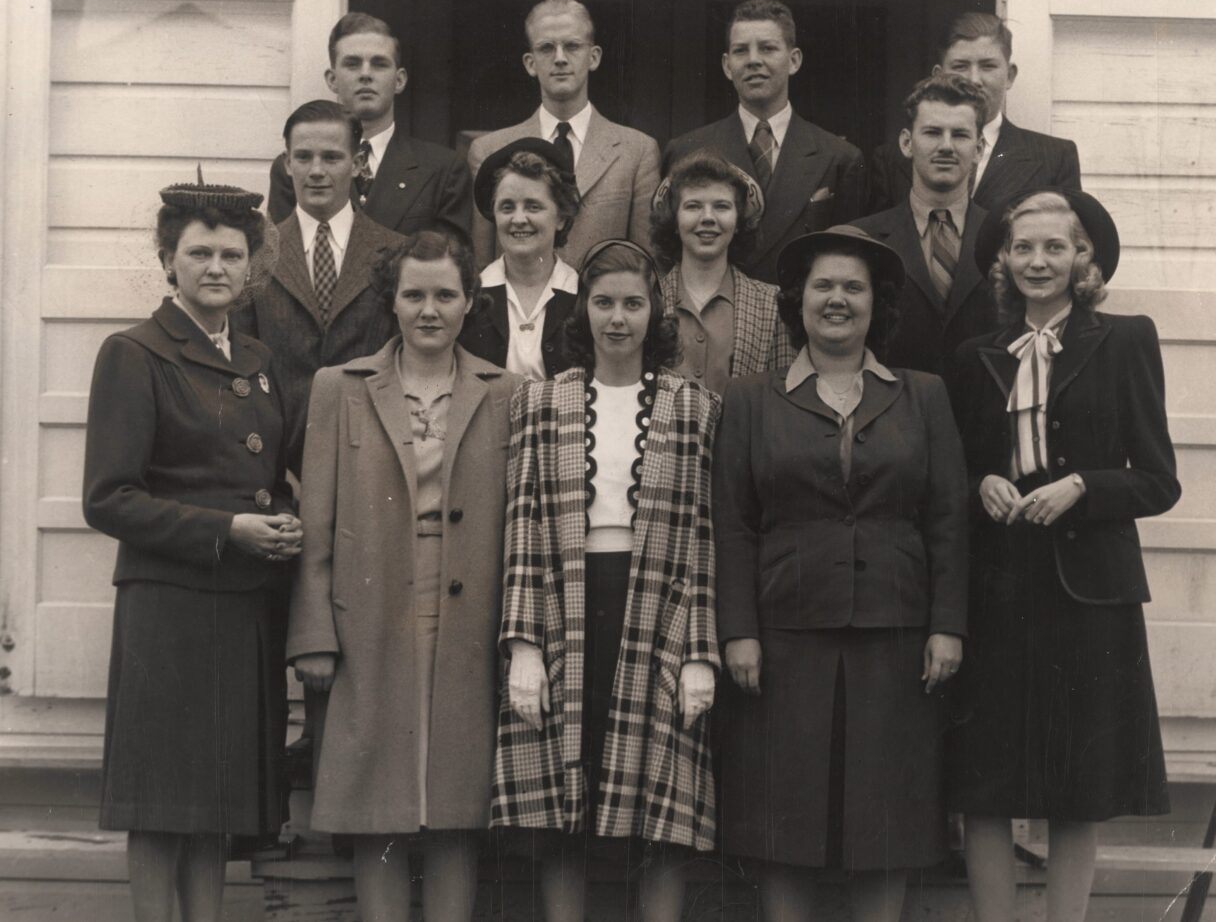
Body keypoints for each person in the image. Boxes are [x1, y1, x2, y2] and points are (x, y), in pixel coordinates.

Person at [714, 224, 967, 922]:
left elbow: (947, 519)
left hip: (897, 633)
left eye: (853, 287)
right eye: (823, 285)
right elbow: (732, 525)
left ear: (874, 302)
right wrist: (738, 630)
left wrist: (947, 625)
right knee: (783, 815)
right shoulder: (748, 400)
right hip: (784, 633)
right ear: (797, 301)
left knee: (888, 818)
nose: (837, 299)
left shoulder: (924, 396)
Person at [948, 189, 1179, 922]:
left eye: (1055, 247)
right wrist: (977, 482)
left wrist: (1083, 485)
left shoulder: (1125, 339)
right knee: (985, 784)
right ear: (1003, 262)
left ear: (1083, 258)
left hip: (1089, 595)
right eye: (1023, 248)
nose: (1038, 262)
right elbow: (949, 470)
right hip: (998, 587)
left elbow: (1158, 480)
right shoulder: (975, 356)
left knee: (1078, 785)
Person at [287, 226, 520, 922]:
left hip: (468, 614)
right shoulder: (342, 388)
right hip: (370, 612)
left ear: (469, 301)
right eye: (413, 294)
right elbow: (317, 525)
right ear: (390, 301)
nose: (429, 310)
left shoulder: (506, 392)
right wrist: (313, 635)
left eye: (445, 295)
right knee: (376, 794)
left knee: (453, 794)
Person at [83, 180, 299, 922]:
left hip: (242, 606)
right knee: (162, 796)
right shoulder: (135, 353)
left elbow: (264, 475)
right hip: (169, 607)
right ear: (167, 260)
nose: (216, 266)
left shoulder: (261, 359)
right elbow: (108, 498)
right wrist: (226, 530)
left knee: (215, 797)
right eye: (198, 252)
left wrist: (284, 519)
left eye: (231, 253)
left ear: (252, 266)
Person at [491, 240, 720, 922]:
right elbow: (523, 526)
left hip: (661, 605)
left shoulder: (695, 406)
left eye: (633, 303)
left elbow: (707, 534)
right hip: (567, 599)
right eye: (603, 303)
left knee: (661, 795)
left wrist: (701, 652)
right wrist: (523, 645)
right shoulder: (540, 401)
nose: (617, 319)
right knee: (564, 795)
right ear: (582, 310)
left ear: (656, 313)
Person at [233, 99, 405, 475]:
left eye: (331, 157)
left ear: (358, 164)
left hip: (374, 463)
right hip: (279, 467)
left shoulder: (395, 252)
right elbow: (240, 370)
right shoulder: (255, 253)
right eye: (304, 157)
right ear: (286, 162)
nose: (316, 171)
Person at [663, 0, 867, 285]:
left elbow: (848, 264)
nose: (753, 60)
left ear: (794, 60)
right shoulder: (685, 151)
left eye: (768, 48)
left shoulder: (840, 157)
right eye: (741, 51)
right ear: (726, 65)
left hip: (799, 319)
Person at [467, 0, 661, 269]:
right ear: (530, 63)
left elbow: (645, 264)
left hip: (599, 308)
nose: (559, 58)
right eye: (546, 48)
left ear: (593, 57)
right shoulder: (490, 151)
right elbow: (482, 267)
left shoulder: (636, 151)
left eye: (572, 46)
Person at [267, 12, 472, 236]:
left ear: (400, 80)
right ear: (332, 80)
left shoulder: (443, 169)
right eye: (352, 64)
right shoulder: (295, 166)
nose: (365, 74)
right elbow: (283, 258)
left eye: (379, 64)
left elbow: (451, 265)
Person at [853, 74, 995, 377]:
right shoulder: (863, 239)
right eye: (932, 132)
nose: (946, 146)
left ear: (980, 148)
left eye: (960, 135)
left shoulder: (1005, 237)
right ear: (907, 142)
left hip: (983, 416)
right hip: (892, 414)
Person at [868, 12, 1081, 214]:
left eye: (988, 66)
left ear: (1009, 76)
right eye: (960, 66)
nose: (974, 80)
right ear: (938, 76)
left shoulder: (1054, 158)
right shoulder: (891, 160)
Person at [649, 152, 794, 392]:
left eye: (721, 206)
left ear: (739, 222)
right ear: (674, 221)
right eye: (693, 206)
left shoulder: (772, 304)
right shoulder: (649, 298)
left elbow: (781, 398)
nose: (708, 218)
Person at [457, 137, 581, 380]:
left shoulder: (583, 294)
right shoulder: (471, 295)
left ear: (561, 218)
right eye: (507, 207)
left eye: (533, 207)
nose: (519, 218)